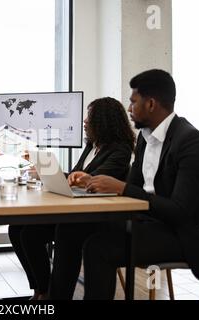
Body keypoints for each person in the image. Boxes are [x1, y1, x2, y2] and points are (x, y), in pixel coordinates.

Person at [63, 69, 199, 300]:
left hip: (186, 236)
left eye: (133, 102)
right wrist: (112, 187)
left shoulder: (192, 143)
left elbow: (179, 212)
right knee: (70, 229)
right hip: (149, 222)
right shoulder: (145, 138)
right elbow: (134, 189)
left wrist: (120, 187)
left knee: (98, 248)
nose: (129, 109)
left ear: (151, 104)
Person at [8, 97, 136, 300]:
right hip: (79, 210)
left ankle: (57, 296)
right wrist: (48, 173)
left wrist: (79, 179)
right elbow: (76, 176)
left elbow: (95, 179)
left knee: (65, 230)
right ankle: (42, 289)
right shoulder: (92, 146)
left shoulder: (120, 150)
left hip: (101, 217)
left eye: (89, 117)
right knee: (19, 229)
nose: (85, 121)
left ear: (104, 121)